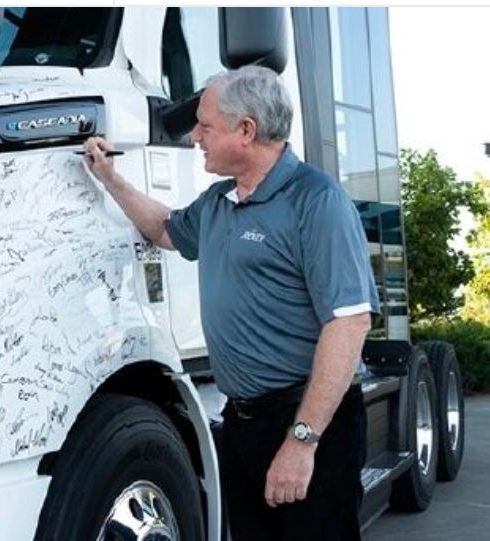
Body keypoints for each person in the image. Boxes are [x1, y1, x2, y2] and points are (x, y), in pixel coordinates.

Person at [83, 65, 378, 541]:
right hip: (243, 423)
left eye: (205, 125)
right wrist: (110, 178)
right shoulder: (220, 202)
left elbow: (349, 324)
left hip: (308, 420)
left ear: (247, 130)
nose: (195, 135)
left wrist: (302, 443)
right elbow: (163, 229)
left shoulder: (316, 201)